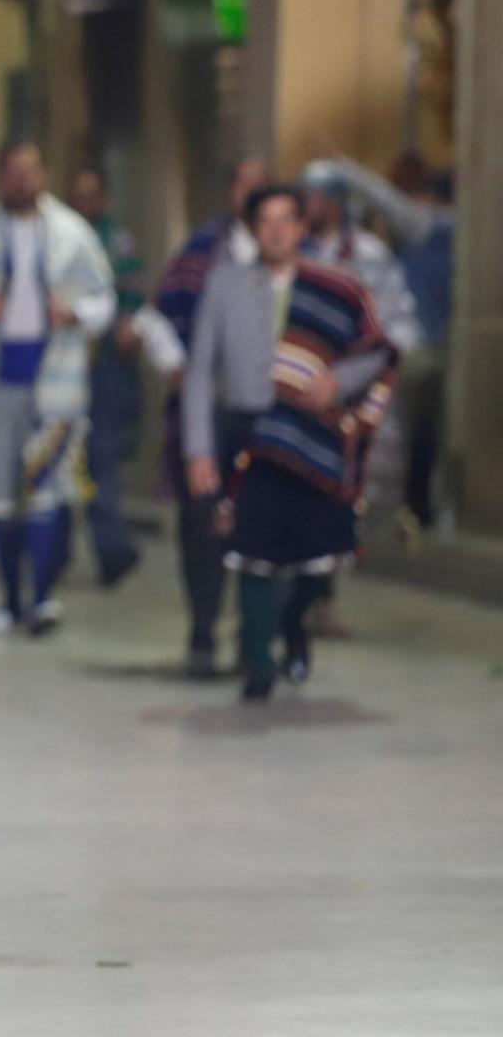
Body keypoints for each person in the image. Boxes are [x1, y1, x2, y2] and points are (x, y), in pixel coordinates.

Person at [179, 186, 397, 701]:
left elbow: (375, 351)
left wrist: (336, 382)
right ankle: (258, 660)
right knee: (252, 550)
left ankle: (295, 626)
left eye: (286, 221)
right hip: (248, 431)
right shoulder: (226, 284)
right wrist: (199, 450)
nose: (275, 230)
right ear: (254, 230)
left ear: (302, 228)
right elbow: (199, 371)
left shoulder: (336, 289)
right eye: (265, 222)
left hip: (310, 433)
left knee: (310, 559)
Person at [0, 141, 115, 638]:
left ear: (42, 174)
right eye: (13, 171)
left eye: (31, 170)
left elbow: (103, 300)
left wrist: (76, 313)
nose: (22, 179)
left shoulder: (71, 235)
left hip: (55, 378)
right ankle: (9, 598)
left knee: (45, 492)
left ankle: (42, 598)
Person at [143, 156, 266, 677]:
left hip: (266, 415)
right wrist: (182, 372)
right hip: (207, 414)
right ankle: (203, 627)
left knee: (262, 527)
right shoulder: (201, 253)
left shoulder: (288, 261)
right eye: (247, 188)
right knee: (202, 525)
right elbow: (159, 316)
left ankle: (256, 638)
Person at [305, 152, 452, 526]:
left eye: (316, 196)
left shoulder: (376, 250)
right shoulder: (294, 250)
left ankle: (401, 515)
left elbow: (393, 318)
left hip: (360, 369)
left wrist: (377, 359)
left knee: (388, 451)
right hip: (305, 371)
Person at [64, 165, 145, 588]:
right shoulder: (57, 238)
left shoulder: (117, 240)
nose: (83, 202)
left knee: (102, 460)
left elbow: (133, 294)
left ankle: (112, 550)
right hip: (61, 366)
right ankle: (53, 553)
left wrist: (130, 328)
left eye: (90, 194)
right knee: (56, 457)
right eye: (76, 194)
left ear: (103, 200)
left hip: (105, 367)